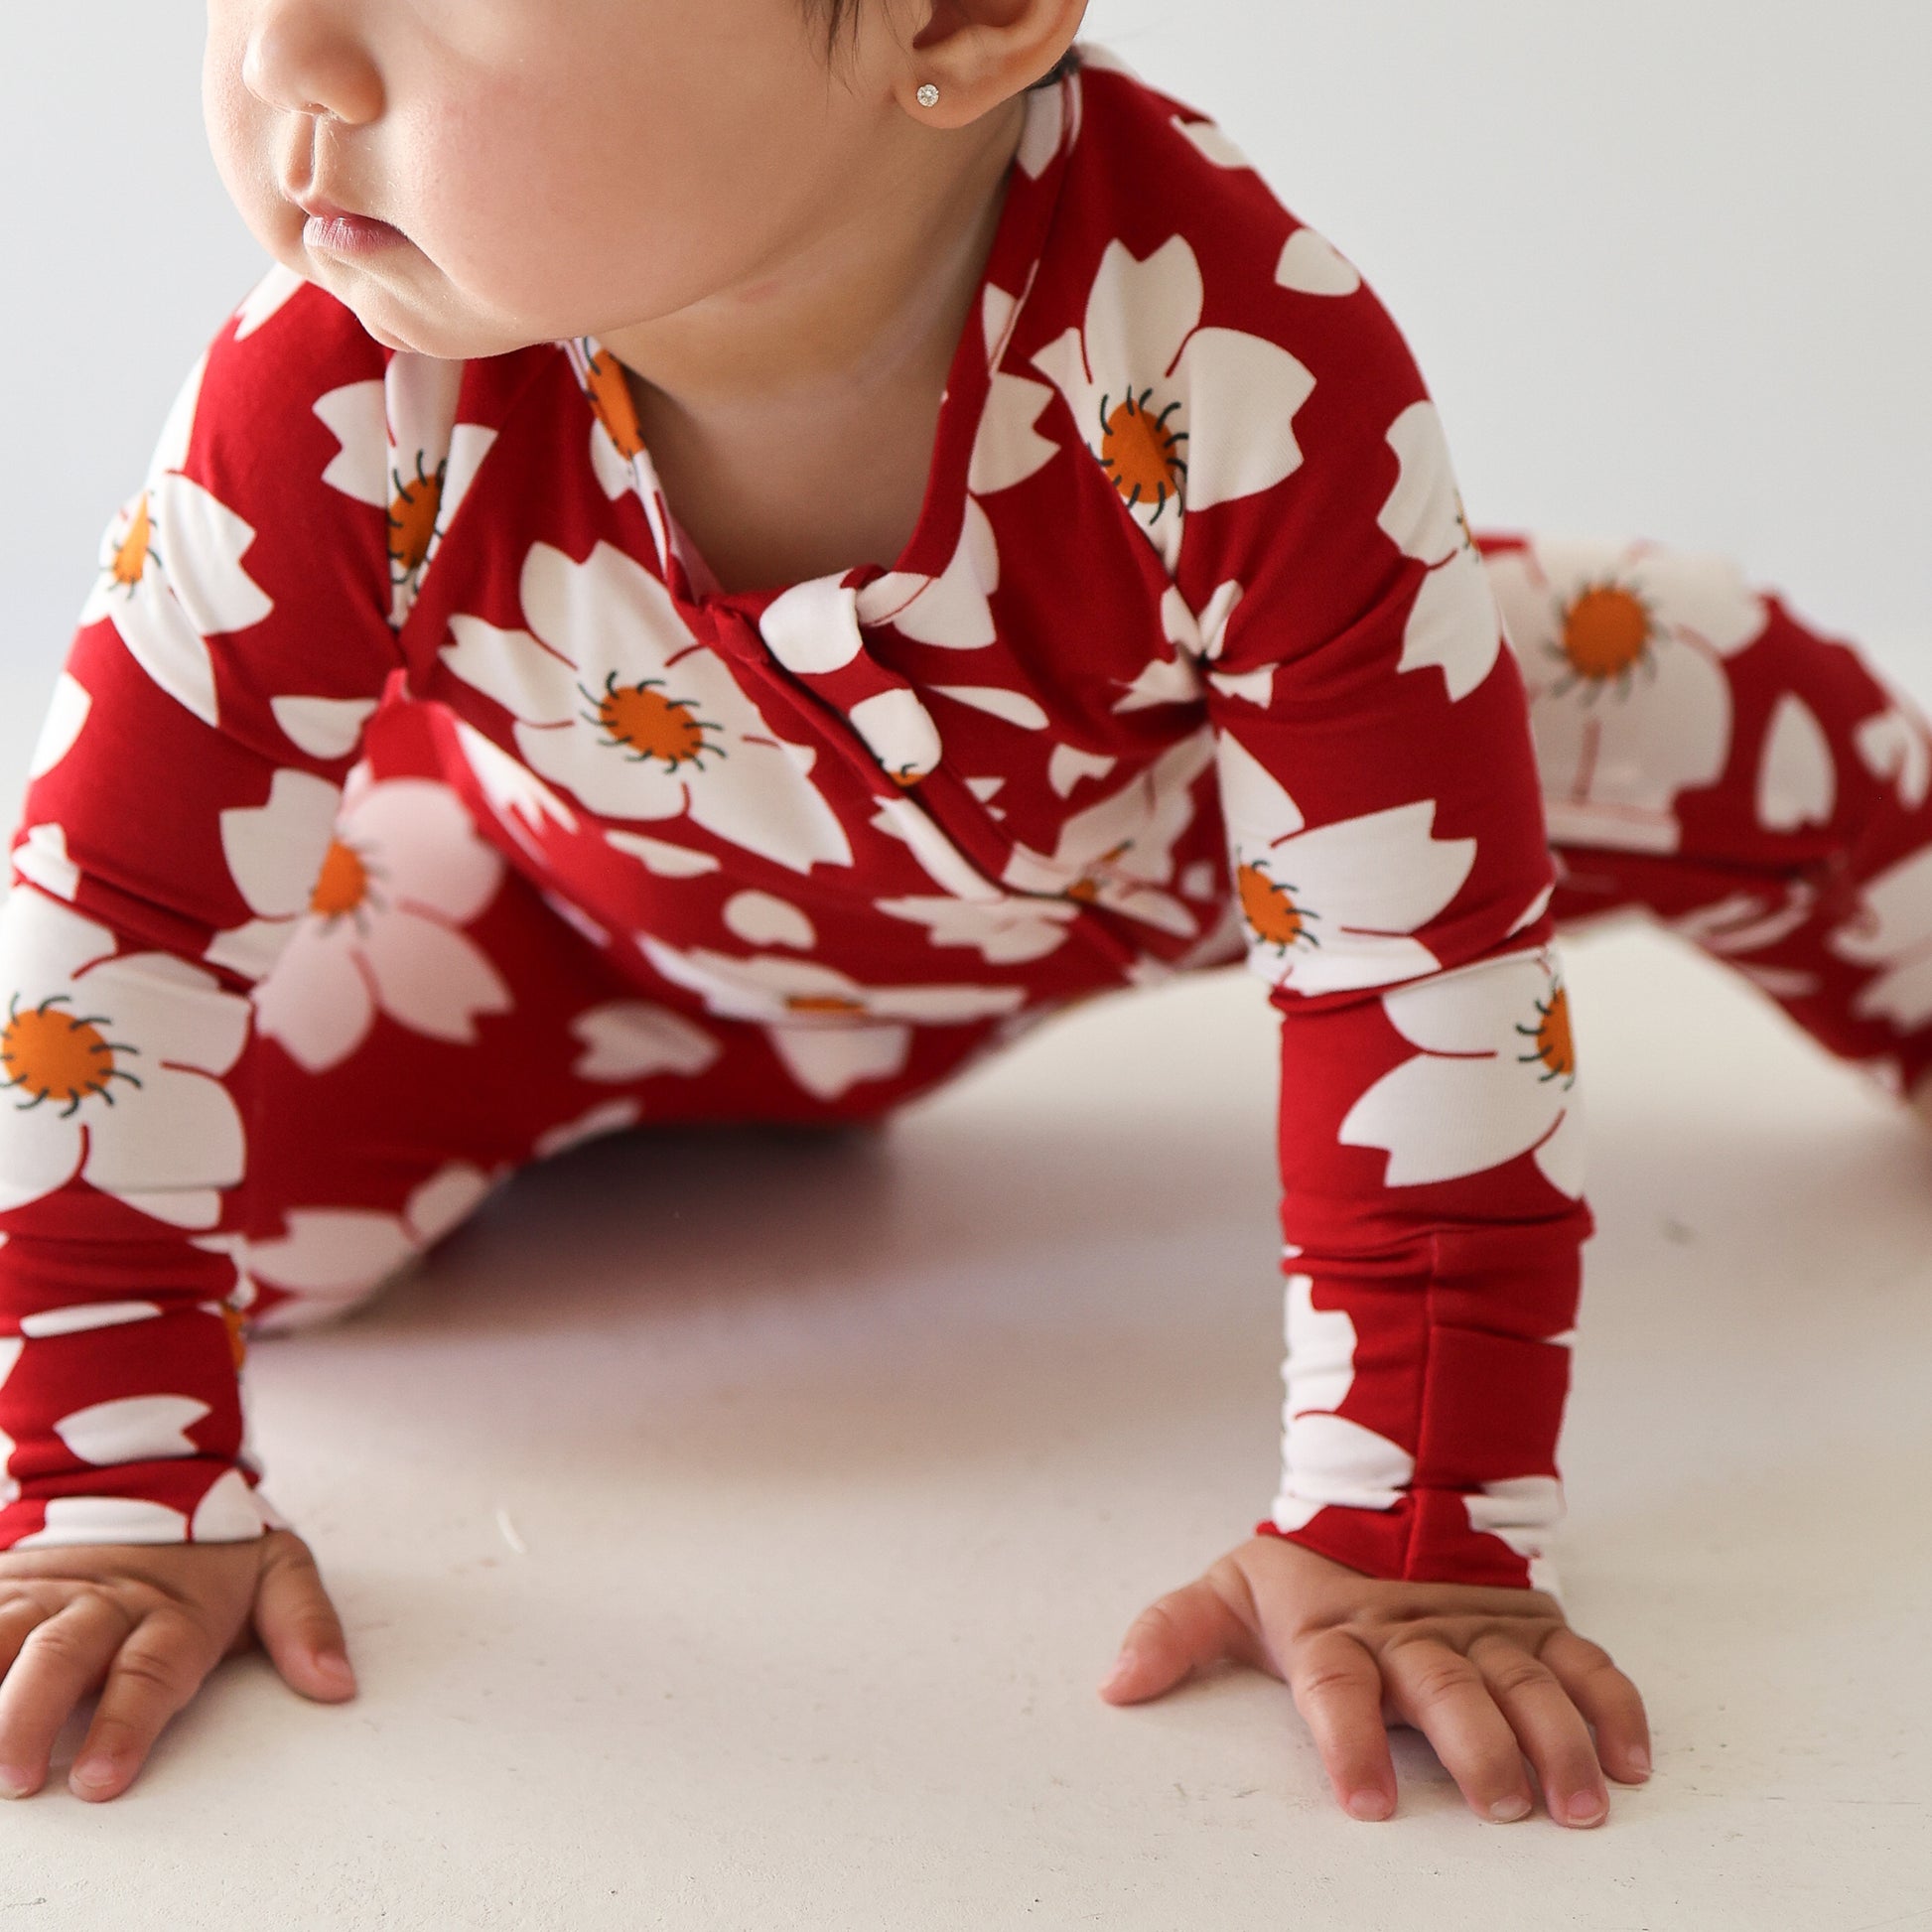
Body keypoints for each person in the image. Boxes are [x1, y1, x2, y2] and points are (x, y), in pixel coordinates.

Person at [0, 0, 1925, 1831]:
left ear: (949, 20)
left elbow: (1405, 959)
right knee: (217, 1203)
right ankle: (705, 1105)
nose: (286, 57)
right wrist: (112, 1482)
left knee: (1732, 725)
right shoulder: (344, 374)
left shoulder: (1225, 352)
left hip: (1161, 842)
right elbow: (130, 913)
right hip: (572, 910)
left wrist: (1412, 1526)